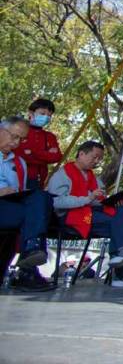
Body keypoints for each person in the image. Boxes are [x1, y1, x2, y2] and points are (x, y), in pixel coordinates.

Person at [47, 140, 123, 288]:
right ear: (81, 154)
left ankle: (122, 261)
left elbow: (99, 200)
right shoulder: (62, 175)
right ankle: (122, 269)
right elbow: (57, 201)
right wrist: (88, 198)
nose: (97, 161)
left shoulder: (95, 178)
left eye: (100, 158)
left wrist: (113, 202)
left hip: (94, 212)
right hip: (72, 216)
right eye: (94, 157)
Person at [0, 116, 53, 291]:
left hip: (10, 208)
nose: (16, 143)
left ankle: (32, 250)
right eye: (14, 136)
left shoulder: (19, 162)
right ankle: (27, 267)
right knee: (35, 214)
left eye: (21, 139)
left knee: (40, 197)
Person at [14, 99, 62, 190]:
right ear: (31, 113)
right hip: (16, 177)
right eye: (42, 113)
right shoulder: (18, 131)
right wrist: (45, 154)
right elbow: (18, 154)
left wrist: (31, 152)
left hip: (38, 180)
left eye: (49, 115)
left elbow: (56, 157)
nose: (46, 117)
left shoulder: (50, 136)